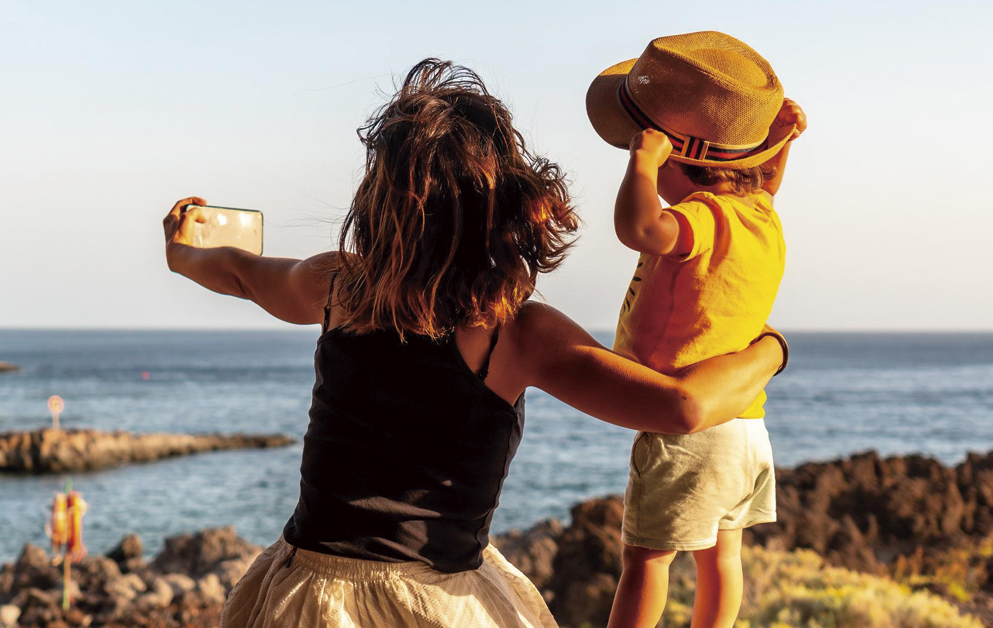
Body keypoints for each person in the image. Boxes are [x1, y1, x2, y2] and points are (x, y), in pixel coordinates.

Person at [164, 58, 787, 628]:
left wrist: (182, 253)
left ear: (379, 200)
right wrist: (770, 350)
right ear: (510, 201)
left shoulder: (337, 285)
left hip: (309, 594)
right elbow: (684, 407)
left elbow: (241, 273)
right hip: (435, 600)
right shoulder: (517, 331)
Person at [584, 31, 807, 628]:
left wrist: (641, 163)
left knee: (646, 559)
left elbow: (639, 230)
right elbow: (767, 184)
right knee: (722, 554)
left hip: (688, 427)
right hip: (745, 423)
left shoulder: (703, 218)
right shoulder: (759, 214)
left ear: (678, 161)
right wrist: (782, 142)